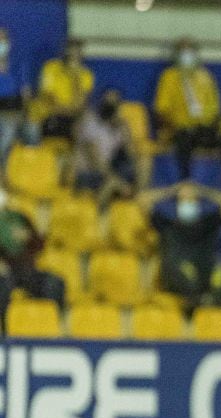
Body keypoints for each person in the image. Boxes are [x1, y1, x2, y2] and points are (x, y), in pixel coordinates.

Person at [153, 38, 221, 193]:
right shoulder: (169, 77)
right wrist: (172, 128)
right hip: (181, 130)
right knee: (183, 144)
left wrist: (214, 126)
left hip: (205, 129)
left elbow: (216, 108)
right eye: (183, 52)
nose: (187, 55)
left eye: (190, 51)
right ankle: (186, 187)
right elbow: (161, 110)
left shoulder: (205, 76)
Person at [143, 182, 221, 308]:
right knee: (172, 267)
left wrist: (202, 191)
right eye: (183, 200)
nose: (187, 203)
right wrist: (173, 191)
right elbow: (143, 200)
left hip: (204, 273)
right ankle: (198, 299)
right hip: (180, 277)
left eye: (192, 200)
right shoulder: (167, 225)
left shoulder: (207, 224)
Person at [0, 191, 65, 331]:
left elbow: (39, 244)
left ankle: (55, 327)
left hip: (28, 270)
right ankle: (5, 330)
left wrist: (28, 236)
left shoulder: (20, 218)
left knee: (55, 283)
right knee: (3, 288)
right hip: (6, 273)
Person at [73, 89, 137, 192]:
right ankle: (113, 191)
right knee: (111, 182)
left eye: (114, 104)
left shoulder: (118, 127)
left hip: (106, 172)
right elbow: (95, 161)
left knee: (137, 166)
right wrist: (118, 181)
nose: (110, 107)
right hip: (87, 173)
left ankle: (138, 194)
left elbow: (131, 155)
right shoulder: (90, 121)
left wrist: (126, 132)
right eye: (107, 103)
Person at [36, 38, 93, 140]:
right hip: (50, 114)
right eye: (70, 51)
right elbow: (48, 97)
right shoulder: (51, 67)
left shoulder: (86, 75)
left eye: (77, 53)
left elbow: (81, 103)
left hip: (73, 117)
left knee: (87, 124)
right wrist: (63, 110)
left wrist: (75, 77)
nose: (73, 56)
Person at [0, 28, 31, 165]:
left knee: (30, 130)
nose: (1, 43)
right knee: (7, 132)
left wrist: (24, 113)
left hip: (13, 111)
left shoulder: (17, 64)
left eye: (3, 40)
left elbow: (26, 94)